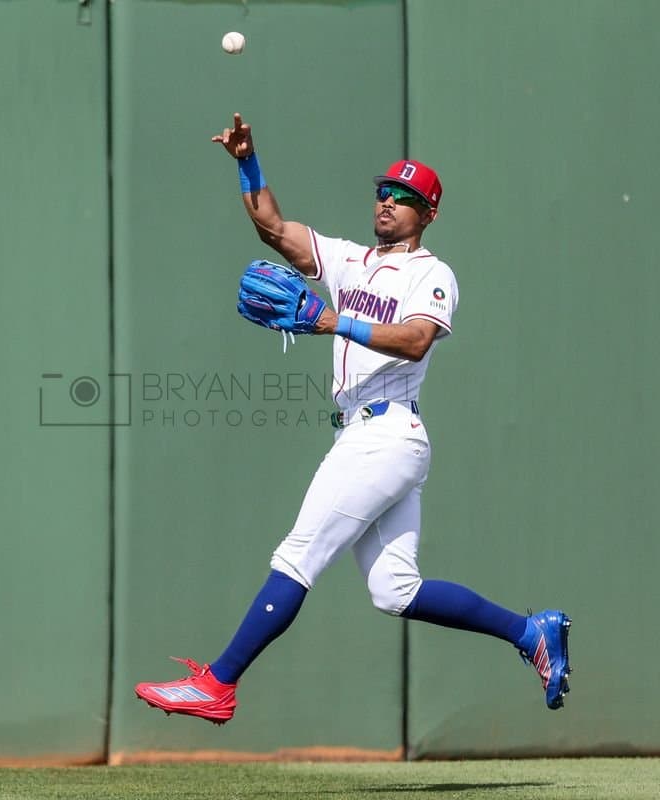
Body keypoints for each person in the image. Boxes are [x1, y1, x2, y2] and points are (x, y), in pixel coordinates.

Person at [134, 113, 571, 724]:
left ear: (429, 214)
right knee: (395, 590)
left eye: (407, 197)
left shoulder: (430, 273)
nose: (390, 201)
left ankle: (219, 682)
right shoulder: (347, 261)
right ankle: (532, 633)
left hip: (387, 433)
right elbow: (272, 228)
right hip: (370, 432)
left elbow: (417, 340)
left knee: (297, 555)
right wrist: (246, 162)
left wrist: (333, 320)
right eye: (385, 191)